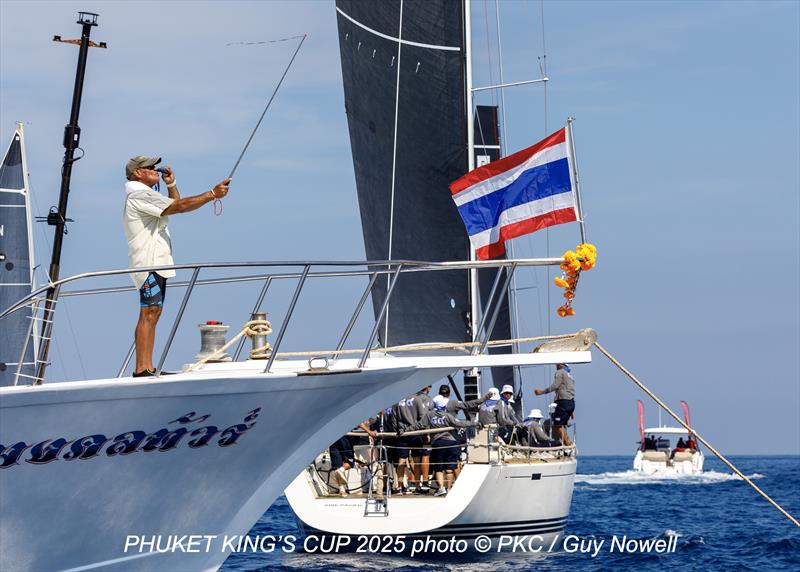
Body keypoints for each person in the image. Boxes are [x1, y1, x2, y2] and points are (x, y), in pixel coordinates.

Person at [122, 156, 231, 377]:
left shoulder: (148, 195)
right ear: (137, 173)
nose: (155, 170)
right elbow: (179, 207)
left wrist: (171, 184)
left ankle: (146, 367)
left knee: (154, 312)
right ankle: (142, 368)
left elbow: (174, 204)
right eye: (150, 168)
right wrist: (211, 194)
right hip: (148, 262)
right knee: (149, 311)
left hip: (156, 262)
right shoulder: (139, 195)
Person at [409, 394, 476, 496]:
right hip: (451, 442)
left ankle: (441, 488)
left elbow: (419, 425)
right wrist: (473, 422)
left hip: (438, 443)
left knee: (438, 467)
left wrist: (406, 430)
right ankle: (448, 488)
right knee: (449, 468)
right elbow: (459, 423)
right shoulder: (448, 416)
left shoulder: (429, 415)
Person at [534, 364, 575, 445]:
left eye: (557, 364)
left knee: (557, 426)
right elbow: (570, 391)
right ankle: (568, 443)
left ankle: (567, 445)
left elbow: (555, 385)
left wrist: (542, 392)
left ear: (561, 365)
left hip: (563, 402)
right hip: (571, 403)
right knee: (562, 425)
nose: (555, 365)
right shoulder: (570, 376)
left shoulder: (560, 372)